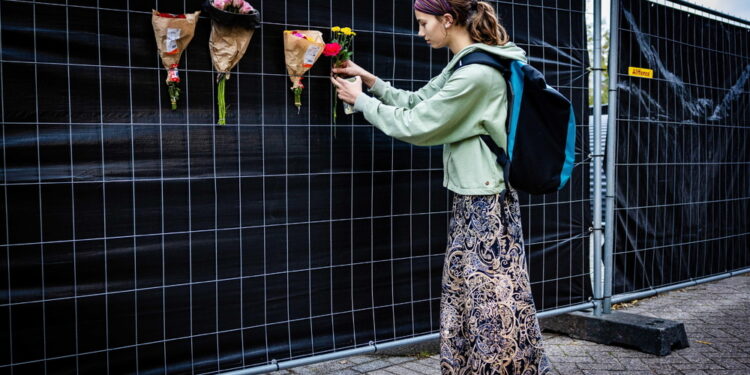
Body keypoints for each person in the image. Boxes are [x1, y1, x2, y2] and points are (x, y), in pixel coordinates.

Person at [330, 0, 551, 373]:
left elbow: (418, 125)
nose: (420, 32)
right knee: (478, 294)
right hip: (475, 197)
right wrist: (368, 80)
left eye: (423, 23)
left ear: (447, 20)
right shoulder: (466, 64)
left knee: (488, 300)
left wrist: (361, 102)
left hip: (484, 201)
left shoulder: (476, 74)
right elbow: (417, 103)